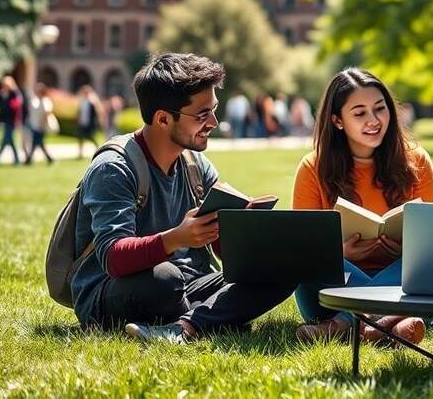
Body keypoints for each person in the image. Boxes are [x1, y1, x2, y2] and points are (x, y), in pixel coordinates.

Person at [70, 52, 297, 343]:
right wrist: (176, 238)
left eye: (214, 110)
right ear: (163, 119)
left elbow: (222, 250)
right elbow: (113, 257)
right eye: (203, 114)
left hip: (188, 282)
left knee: (282, 266)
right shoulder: (114, 168)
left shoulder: (196, 165)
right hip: (116, 290)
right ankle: (217, 316)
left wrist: (242, 230)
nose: (214, 122)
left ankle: (188, 325)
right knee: (164, 280)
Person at [292, 68, 433, 345]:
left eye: (380, 109)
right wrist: (338, 252)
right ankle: (388, 321)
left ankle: (348, 325)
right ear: (337, 120)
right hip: (336, 283)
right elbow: (303, 248)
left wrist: (409, 248)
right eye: (360, 113)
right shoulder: (312, 167)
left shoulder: (417, 161)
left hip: (402, 273)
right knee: (310, 265)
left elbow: (430, 241)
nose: (374, 120)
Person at [0, 76, 25, 166]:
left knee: (6, 140)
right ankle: (16, 160)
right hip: (5, 121)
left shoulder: (15, 94)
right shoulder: (3, 94)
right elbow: (1, 109)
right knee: (9, 141)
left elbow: (17, 107)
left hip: (12, 121)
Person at [25, 82, 55, 165]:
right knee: (39, 143)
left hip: (41, 126)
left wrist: (41, 125)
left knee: (36, 143)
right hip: (34, 125)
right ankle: (49, 159)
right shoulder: (36, 100)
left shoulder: (46, 101)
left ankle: (28, 160)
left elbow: (46, 113)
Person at [76, 85, 104, 159]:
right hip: (82, 123)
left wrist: (98, 121)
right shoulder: (82, 102)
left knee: (91, 138)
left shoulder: (92, 102)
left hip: (90, 123)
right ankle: (80, 154)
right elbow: (79, 112)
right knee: (80, 138)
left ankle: (98, 149)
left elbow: (97, 113)